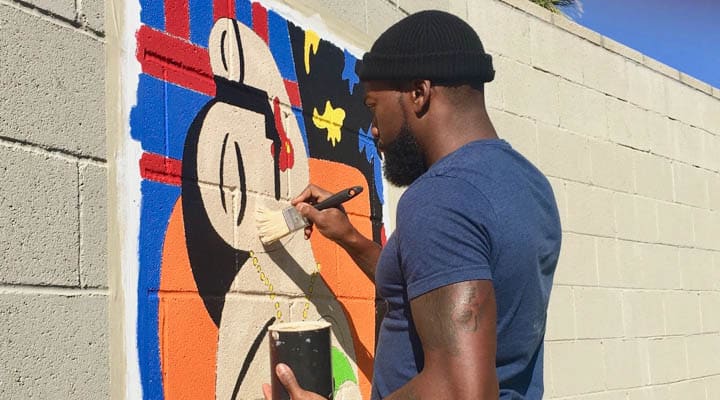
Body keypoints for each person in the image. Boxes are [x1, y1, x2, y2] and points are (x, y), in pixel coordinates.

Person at [262, 9, 562, 400]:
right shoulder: (530, 184)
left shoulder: (440, 196)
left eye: (374, 106)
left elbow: (461, 392)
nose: (373, 129)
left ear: (419, 94)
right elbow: (429, 283)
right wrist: (350, 237)